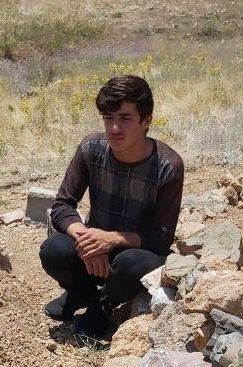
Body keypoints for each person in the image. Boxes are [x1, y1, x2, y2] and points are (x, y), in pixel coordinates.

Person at [40, 74, 184, 340]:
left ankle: (103, 306)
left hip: (135, 253)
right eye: (109, 118)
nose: (115, 128)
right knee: (54, 250)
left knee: (133, 263)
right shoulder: (91, 149)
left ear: (147, 121)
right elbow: (62, 205)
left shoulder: (168, 166)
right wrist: (86, 239)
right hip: (92, 250)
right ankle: (81, 292)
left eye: (125, 118)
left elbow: (160, 238)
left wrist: (112, 239)